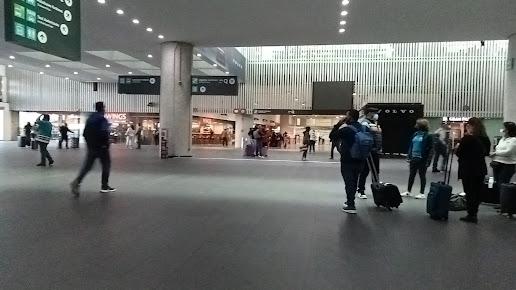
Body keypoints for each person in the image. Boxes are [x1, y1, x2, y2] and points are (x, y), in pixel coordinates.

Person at [70, 102, 116, 197]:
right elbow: (104, 133)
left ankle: (77, 182)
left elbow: (85, 133)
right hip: (102, 148)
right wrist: (105, 144)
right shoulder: (102, 119)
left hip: (92, 147)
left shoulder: (90, 118)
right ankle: (104, 186)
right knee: (106, 165)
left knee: (88, 166)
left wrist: (90, 145)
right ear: (103, 108)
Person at [456, 118, 491, 223]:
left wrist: (458, 147)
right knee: (477, 192)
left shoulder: (467, 139)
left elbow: (459, 153)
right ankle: (474, 212)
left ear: (470, 126)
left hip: (467, 169)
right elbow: (486, 153)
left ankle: (471, 214)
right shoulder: (485, 138)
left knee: (469, 192)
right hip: (480, 168)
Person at [338, 109, 368, 214]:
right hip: (360, 159)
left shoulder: (346, 129)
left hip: (347, 159)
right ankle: (350, 201)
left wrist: (339, 123)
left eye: (346, 116)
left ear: (349, 117)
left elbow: (332, 135)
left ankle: (351, 205)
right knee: (354, 181)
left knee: (349, 181)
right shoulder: (363, 128)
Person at [401, 119, 433, 199]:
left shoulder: (428, 136)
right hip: (413, 158)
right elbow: (411, 146)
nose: (416, 125)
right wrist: (409, 156)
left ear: (421, 125)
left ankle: (422, 193)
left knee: (422, 175)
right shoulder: (415, 134)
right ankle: (408, 191)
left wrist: (428, 160)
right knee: (411, 175)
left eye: (417, 124)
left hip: (422, 158)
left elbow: (431, 149)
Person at [357, 108, 382, 199]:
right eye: (375, 113)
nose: (376, 115)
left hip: (376, 151)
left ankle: (377, 190)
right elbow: (364, 137)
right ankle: (361, 190)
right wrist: (367, 149)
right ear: (369, 113)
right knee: (365, 171)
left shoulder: (374, 123)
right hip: (369, 151)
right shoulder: (365, 123)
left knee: (376, 172)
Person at [490, 122, 516, 209]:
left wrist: (496, 153)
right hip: (497, 163)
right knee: (498, 183)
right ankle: (502, 203)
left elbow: (508, 152)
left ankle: (505, 205)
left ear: (508, 130)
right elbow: (497, 148)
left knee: (503, 183)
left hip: (508, 165)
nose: (502, 129)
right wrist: (497, 153)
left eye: (504, 128)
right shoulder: (502, 139)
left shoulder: (514, 140)